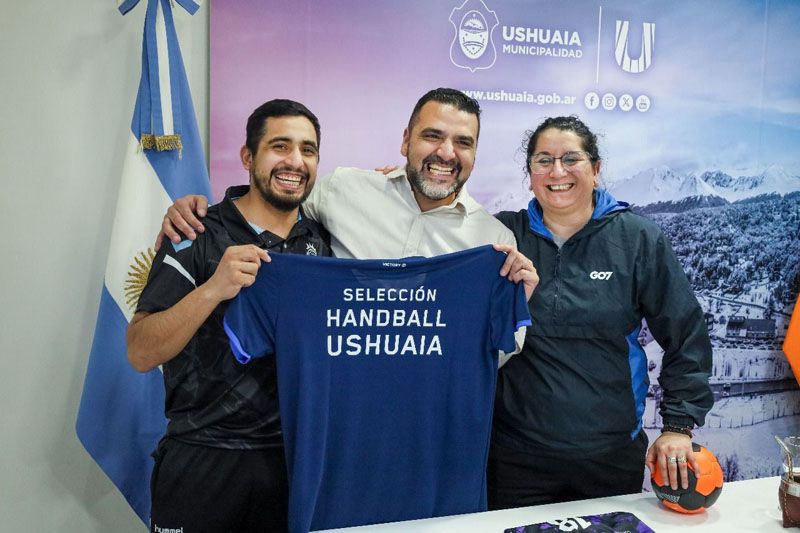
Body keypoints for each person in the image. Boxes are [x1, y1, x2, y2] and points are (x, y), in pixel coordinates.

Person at [158, 87, 539, 328]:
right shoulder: (344, 190)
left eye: (463, 142)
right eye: (432, 136)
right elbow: (276, 198)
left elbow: (496, 352)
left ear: (475, 152)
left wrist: (513, 307)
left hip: (430, 419)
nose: (446, 152)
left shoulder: (496, 243)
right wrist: (198, 211)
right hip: (335, 406)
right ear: (405, 141)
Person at [126, 99, 331, 533]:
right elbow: (141, 351)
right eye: (280, 146)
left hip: (292, 465)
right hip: (203, 461)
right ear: (247, 156)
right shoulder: (194, 232)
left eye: (308, 150)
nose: (295, 161)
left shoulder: (324, 243)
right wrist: (213, 289)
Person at [488, 115, 714, 508]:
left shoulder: (638, 239)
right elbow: (439, 232)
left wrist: (678, 425)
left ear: (595, 169)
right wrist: (400, 189)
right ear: (530, 174)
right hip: (515, 458)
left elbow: (686, 335)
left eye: (570, 159)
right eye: (543, 160)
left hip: (609, 457)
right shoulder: (504, 235)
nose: (557, 171)